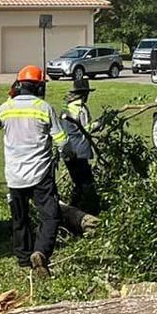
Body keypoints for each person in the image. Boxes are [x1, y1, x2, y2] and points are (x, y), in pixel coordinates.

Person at [0, 63, 65, 271]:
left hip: (14, 174)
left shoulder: (5, 108)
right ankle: (41, 252)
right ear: (39, 87)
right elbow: (61, 140)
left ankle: (23, 259)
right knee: (50, 215)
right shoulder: (44, 108)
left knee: (20, 218)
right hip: (40, 173)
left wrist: (12, 96)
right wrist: (65, 155)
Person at [59, 73, 100, 215]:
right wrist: (99, 124)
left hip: (68, 151)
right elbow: (85, 128)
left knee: (78, 181)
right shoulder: (80, 108)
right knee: (86, 183)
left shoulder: (67, 107)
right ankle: (86, 210)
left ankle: (74, 208)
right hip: (80, 150)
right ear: (84, 94)